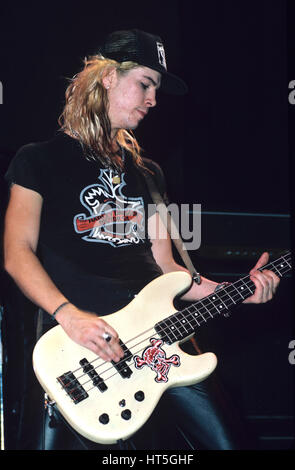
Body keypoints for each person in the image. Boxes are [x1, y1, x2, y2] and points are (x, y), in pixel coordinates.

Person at [3, 29, 280, 450]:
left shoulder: (148, 174)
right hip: (82, 346)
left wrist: (240, 291)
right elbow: (15, 252)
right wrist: (69, 315)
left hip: (163, 342)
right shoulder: (37, 160)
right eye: (145, 84)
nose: (152, 99)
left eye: (155, 89)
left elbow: (170, 271)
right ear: (109, 77)